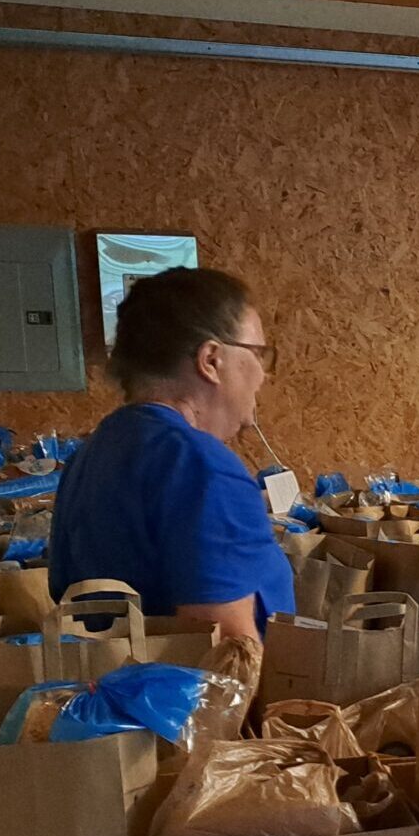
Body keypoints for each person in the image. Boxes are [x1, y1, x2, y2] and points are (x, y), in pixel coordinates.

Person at [51, 266, 292, 639]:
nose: (263, 375)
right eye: (258, 354)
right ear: (211, 360)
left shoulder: (94, 452)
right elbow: (225, 661)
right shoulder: (203, 469)